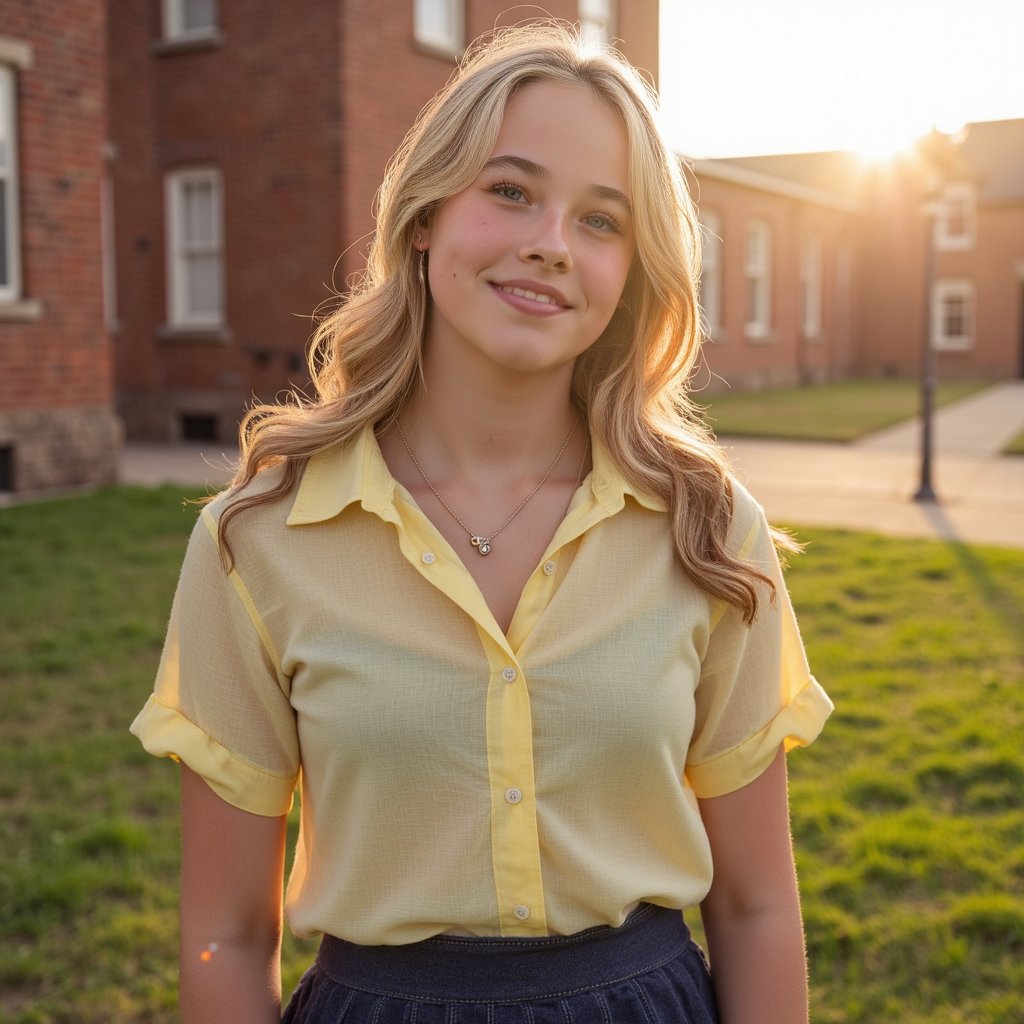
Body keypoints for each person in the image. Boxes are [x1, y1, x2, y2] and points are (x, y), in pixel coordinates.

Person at [131, 21, 832, 1024]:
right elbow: (227, 935)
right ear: (424, 217)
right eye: (510, 190)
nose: (550, 241)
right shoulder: (260, 538)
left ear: (633, 269)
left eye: (602, 220)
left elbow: (759, 906)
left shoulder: (708, 529)